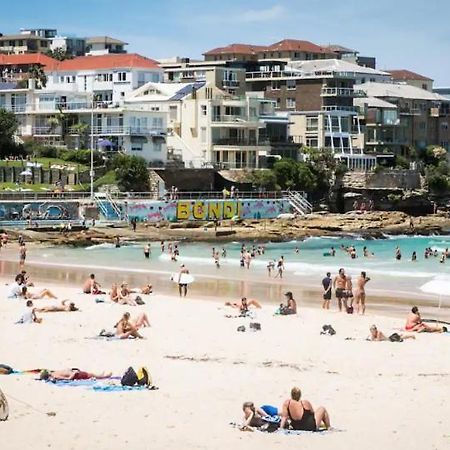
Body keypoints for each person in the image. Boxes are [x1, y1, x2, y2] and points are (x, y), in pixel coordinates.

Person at [39, 368, 112, 381]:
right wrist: (73, 373)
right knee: (91, 375)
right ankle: (104, 376)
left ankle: (100, 375)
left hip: (76, 373)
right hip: (77, 375)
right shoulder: (55, 376)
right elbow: (68, 379)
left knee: (91, 374)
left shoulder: (54, 373)